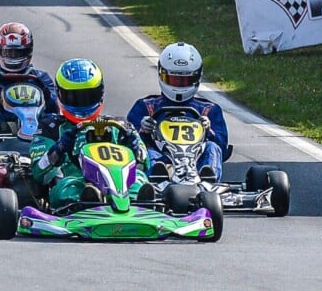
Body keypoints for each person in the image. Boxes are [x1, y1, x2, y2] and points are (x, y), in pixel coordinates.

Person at [33, 58, 151, 210]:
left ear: (100, 93)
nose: (82, 103)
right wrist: (58, 149)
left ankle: (139, 204)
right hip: (74, 178)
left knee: (139, 180)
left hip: (118, 182)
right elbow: (37, 172)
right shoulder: (51, 127)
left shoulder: (118, 125)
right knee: (68, 188)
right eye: (74, 97)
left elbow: (145, 165)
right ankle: (88, 202)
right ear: (60, 94)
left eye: (88, 96)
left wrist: (135, 147)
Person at [127, 42, 229, 180]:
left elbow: (222, 147)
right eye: (174, 79)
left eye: (185, 80)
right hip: (163, 158)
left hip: (196, 161)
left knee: (212, 147)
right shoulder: (146, 107)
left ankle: (209, 178)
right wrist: (142, 130)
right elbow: (127, 145)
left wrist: (208, 130)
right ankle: (157, 178)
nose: (179, 85)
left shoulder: (209, 110)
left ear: (197, 77)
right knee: (149, 152)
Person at [0, 22, 59, 139]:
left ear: (28, 51)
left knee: (52, 117)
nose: (13, 56)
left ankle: (49, 143)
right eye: (8, 52)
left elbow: (56, 108)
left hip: (36, 121)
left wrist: (47, 96)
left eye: (18, 52)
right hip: (3, 120)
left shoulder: (41, 78)